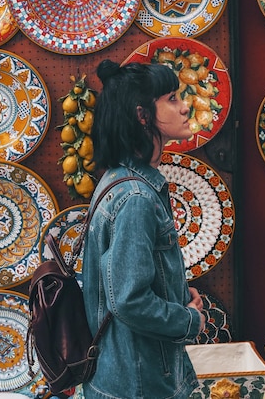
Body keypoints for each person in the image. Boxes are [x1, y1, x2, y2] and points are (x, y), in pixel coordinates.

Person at [81, 59, 205, 399]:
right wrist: (189, 321)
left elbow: (125, 283)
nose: (184, 108)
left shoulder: (118, 180)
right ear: (142, 115)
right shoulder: (135, 196)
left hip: (121, 376)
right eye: (172, 99)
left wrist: (177, 296)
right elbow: (130, 301)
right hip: (139, 384)